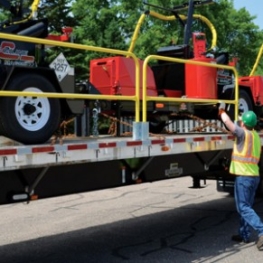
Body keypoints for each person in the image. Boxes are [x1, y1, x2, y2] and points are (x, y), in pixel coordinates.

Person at [218, 102, 263, 250]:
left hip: (244, 177)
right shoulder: (255, 135)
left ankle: (262, 230)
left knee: (243, 207)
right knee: (247, 206)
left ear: (243, 123)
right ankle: (244, 234)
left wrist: (221, 111)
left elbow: (229, 123)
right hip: (254, 176)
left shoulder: (242, 134)